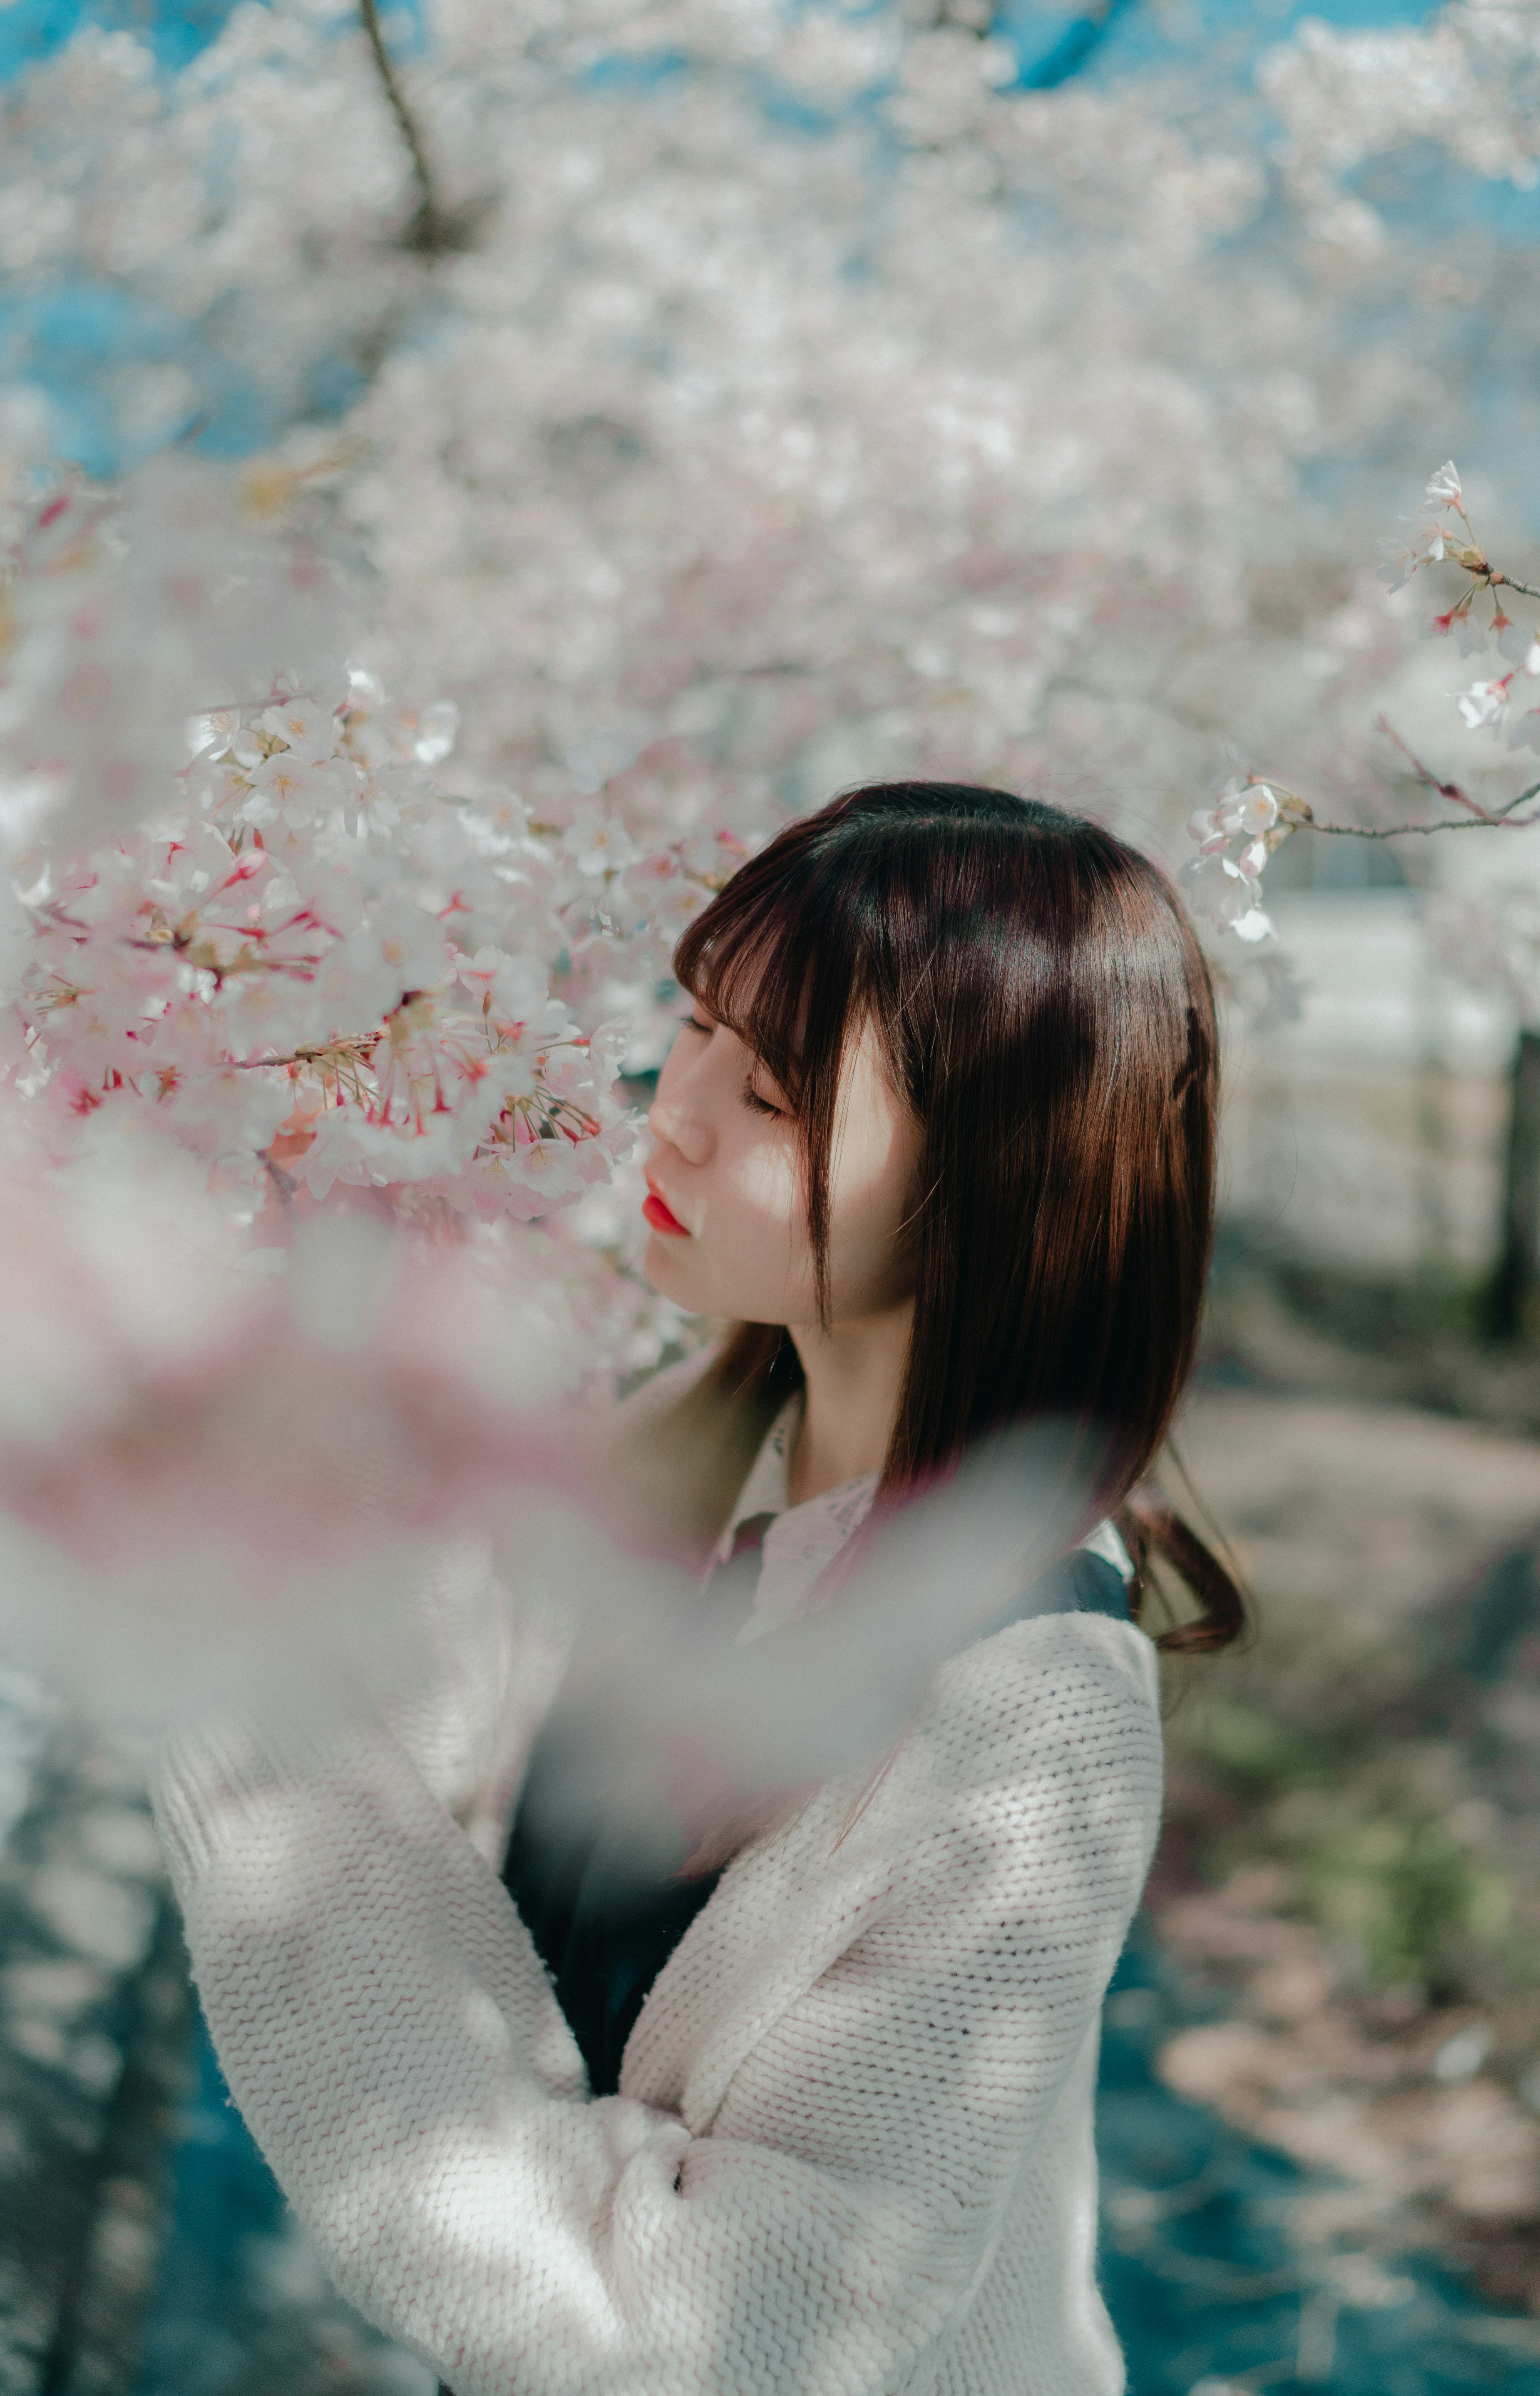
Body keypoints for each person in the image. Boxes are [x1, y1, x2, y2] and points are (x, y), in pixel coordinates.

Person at [153, 782, 1244, 2396]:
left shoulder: (1036, 1723)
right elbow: (400, 1718)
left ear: (993, 1181)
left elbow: (731, 2338)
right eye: (692, 1028)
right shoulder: (692, 1455)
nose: (670, 1113)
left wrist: (244, 1735)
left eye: (779, 1095)